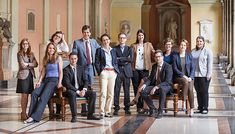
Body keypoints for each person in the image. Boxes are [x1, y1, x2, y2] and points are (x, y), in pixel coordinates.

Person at [24, 42, 63, 123]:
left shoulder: (58, 58)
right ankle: (31, 115)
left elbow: (60, 72)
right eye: (50, 48)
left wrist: (59, 82)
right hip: (46, 80)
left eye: (53, 48)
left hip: (54, 80)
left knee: (43, 97)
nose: (51, 49)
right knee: (34, 93)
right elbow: (43, 72)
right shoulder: (45, 58)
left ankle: (34, 117)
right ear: (47, 49)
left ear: (55, 49)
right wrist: (39, 81)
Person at [63, 52, 100, 122]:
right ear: (69, 59)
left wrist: (84, 90)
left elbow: (86, 80)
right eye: (72, 59)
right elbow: (67, 83)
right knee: (72, 93)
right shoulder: (66, 70)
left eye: (75, 59)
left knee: (93, 93)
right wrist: (77, 91)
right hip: (71, 90)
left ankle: (90, 115)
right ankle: (74, 116)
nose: (73, 60)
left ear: (77, 59)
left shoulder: (81, 68)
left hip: (81, 90)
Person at [72, 25, 100, 115]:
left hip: (91, 67)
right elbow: (74, 53)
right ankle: (84, 109)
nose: (86, 34)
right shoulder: (77, 42)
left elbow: (100, 51)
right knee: (82, 85)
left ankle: (90, 108)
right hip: (81, 67)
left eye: (88, 32)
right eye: (84, 32)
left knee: (90, 86)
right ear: (82, 33)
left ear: (90, 33)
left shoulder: (94, 42)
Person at [140, 50, 173, 119]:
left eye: (159, 56)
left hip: (166, 87)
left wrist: (156, 87)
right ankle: (153, 108)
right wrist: (145, 85)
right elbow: (150, 78)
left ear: (162, 57)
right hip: (156, 86)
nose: (157, 58)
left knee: (162, 89)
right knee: (142, 91)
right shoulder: (154, 66)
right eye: (156, 57)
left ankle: (160, 111)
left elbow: (168, 81)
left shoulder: (168, 66)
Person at [129, 29, 155, 113]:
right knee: (136, 87)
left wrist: (153, 61)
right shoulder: (133, 45)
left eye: (142, 35)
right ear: (137, 36)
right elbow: (130, 57)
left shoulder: (148, 45)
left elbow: (153, 54)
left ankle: (144, 106)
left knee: (143, 88)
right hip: (135, 69)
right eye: (139, 35)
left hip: (145, 69)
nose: (141, 37)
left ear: (144, 36)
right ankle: (139, 107)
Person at [95, 34, 119, 118]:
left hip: (112, 73)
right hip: (104, 73)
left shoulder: (113, 50)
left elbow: (115, 61)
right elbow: (96, 62)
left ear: (109, 40)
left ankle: (108, 111)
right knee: (103, 93)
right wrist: (100, 71)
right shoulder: (99, 50)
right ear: (102, 41)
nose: (105, 41)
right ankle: (101, 112)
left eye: (107, 39)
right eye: (104, 40)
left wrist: (116, 71)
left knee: (110, 93)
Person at [172, 39, 195, 117]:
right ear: (179, 46)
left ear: (186, 47)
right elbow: (175, 68)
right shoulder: (175, 56)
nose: (183, 46)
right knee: (185, 81)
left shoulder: (189, 55)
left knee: (190, 89)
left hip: (189, 77)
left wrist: (191, 77)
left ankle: (191, 109)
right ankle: (184, 100)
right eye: (181, 45)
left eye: (184, 45)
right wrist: (183, 76)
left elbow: (193, 68)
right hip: (179, 77)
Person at [16, 38, 38, 120]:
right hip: (23, 76)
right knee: (24, 95)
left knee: (28, 95)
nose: (25, 45)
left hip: (30, 76)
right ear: (21, 45)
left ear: (28, 45)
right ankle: (24, 113)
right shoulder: (19, 54)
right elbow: (22, 65)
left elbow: (36, 64)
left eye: (26, 44)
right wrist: (30, 64)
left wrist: (27, 64)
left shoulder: (31, 53)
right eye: (23, 44)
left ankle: (24, 112)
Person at [191, 36, 213, 114]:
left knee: (204, 91)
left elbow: (210, 63)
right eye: (197, 41)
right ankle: (200, 107)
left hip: (204, 75)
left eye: (200, 41)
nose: (199, 43)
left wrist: (209, 74)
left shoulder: (208, 51)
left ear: (203, 42)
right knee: (198, 91)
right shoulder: (192, 51)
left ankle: (205, 107)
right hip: (195, 75)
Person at [113, 33, 133, 115]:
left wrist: (120, 58)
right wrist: (125, 59)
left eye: (123, 38)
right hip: (117, 71)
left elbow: (130, 59)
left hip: (127, 72)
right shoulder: (114, 49)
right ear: (118, 39)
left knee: (127, 91)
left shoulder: (129, 49)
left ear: (126, 39)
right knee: (116, 91)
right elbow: (114, 60)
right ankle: (116, 108)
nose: (122, 39)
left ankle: (127, 108)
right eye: (120, 38)